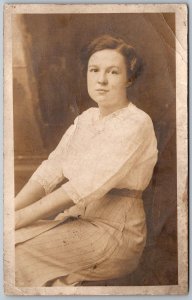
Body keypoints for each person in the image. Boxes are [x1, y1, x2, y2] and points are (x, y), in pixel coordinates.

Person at [15, 35, 158, 287]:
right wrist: (10, 210)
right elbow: (51, 170)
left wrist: (18, 218)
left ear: (129, 78)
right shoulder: (86, 119)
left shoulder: (137, 123)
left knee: (12, 256)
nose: (101, 80)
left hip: (114, 233)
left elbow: (83, 186)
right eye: (94, 70)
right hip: (76, 221)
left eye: (113, 72)